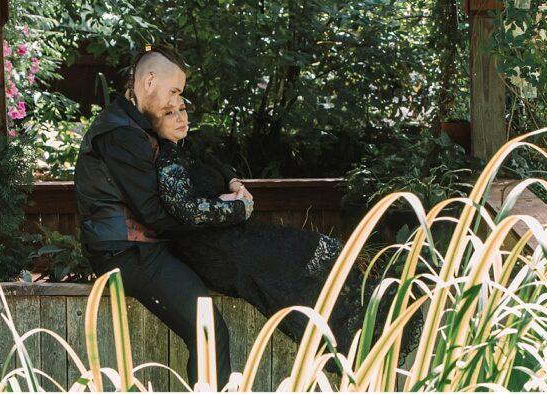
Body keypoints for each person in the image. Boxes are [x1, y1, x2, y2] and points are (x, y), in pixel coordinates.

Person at [148, 100, 411, 357]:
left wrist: (235, 184)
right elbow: (188, 211)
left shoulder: (188, 147)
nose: (181, 117)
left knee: (312, 248)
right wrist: (237, 206)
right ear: (154, 121)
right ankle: (355, 336)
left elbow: (220, 166)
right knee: (292, 267)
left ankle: (373, 319)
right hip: (216, 251)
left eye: (182, 109)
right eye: (170, 113)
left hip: (233, 235)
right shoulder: (169, 160)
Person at [73, 45, 238, 387]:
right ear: (149, 81)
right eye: (174, 91)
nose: (176, 102)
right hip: (128, 254)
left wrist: (231, 180)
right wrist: (227, 209)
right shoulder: (120, 135)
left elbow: (193, 155)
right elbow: (157, 214)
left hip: (144, 248)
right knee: (209, 330)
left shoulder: (138, 126)